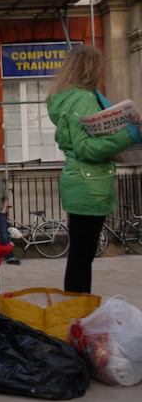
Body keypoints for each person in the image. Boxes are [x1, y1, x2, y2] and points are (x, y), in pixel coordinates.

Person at [47, 45, 142, 294]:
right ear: (91, 67)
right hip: (89, 184)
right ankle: (78, 315)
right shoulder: (83, 98)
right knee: (82, 258)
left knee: (80, 257)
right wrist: (129, 135)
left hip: (79, 182)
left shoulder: (68, 97)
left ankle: (78, 312)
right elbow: (86, 148)